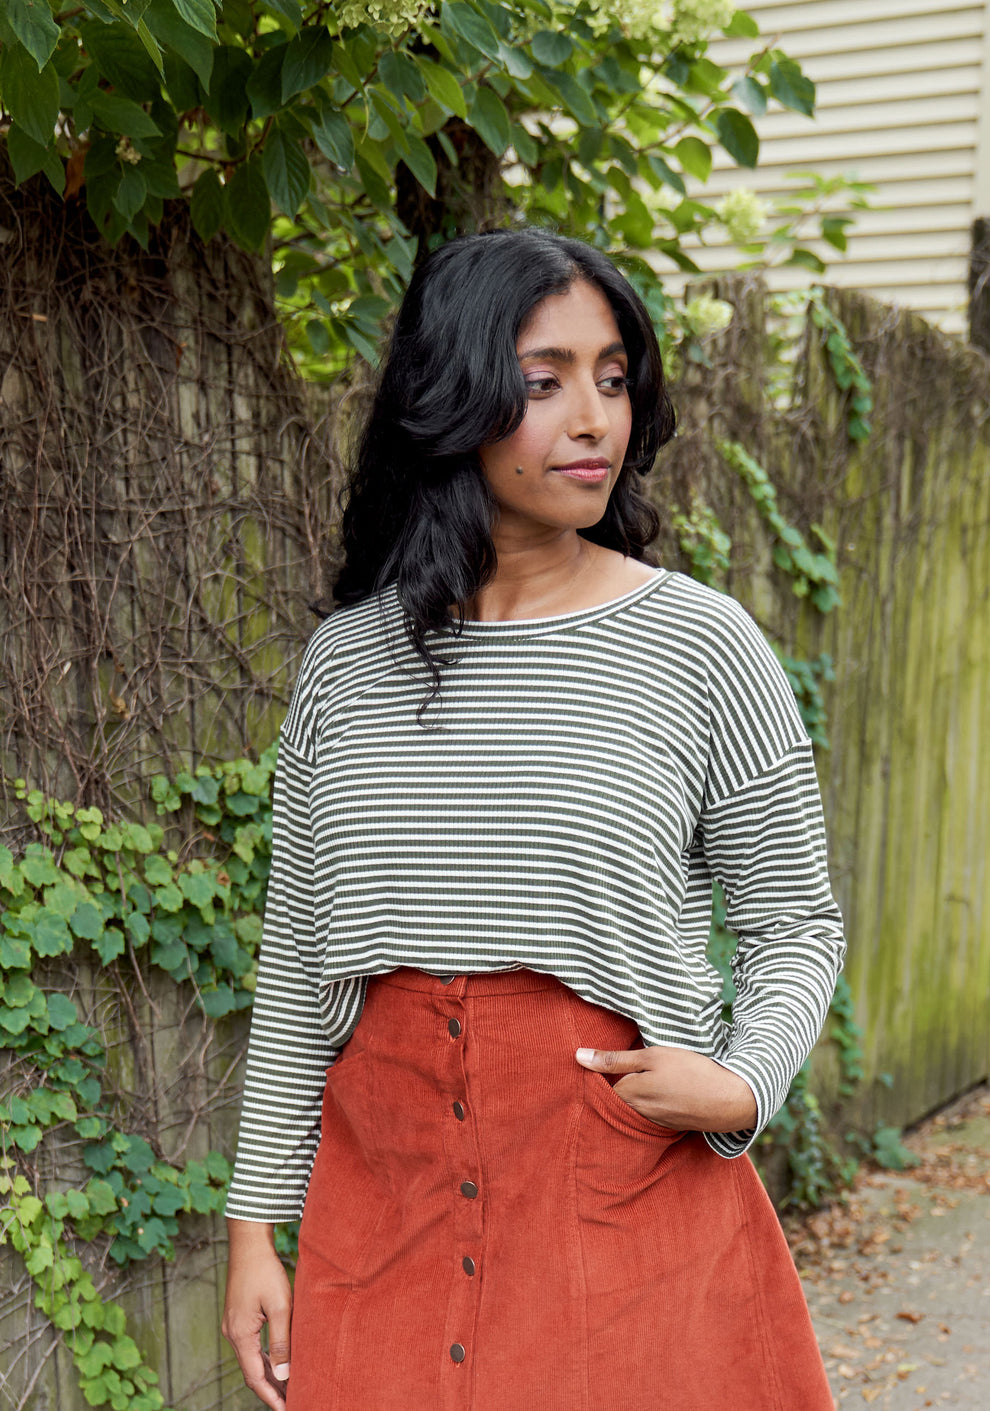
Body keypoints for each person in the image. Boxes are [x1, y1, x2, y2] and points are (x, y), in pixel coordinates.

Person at [221, 227, 845, 1410]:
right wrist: (256, 1222)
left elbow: (794, 922)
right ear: (454, 396)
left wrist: (745, 1082)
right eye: (545, 380)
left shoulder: (702, 646)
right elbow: (302, 959)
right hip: (384, 1201)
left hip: (623, 1195)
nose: (594, 418)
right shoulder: (347, 666)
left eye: (612, 379)